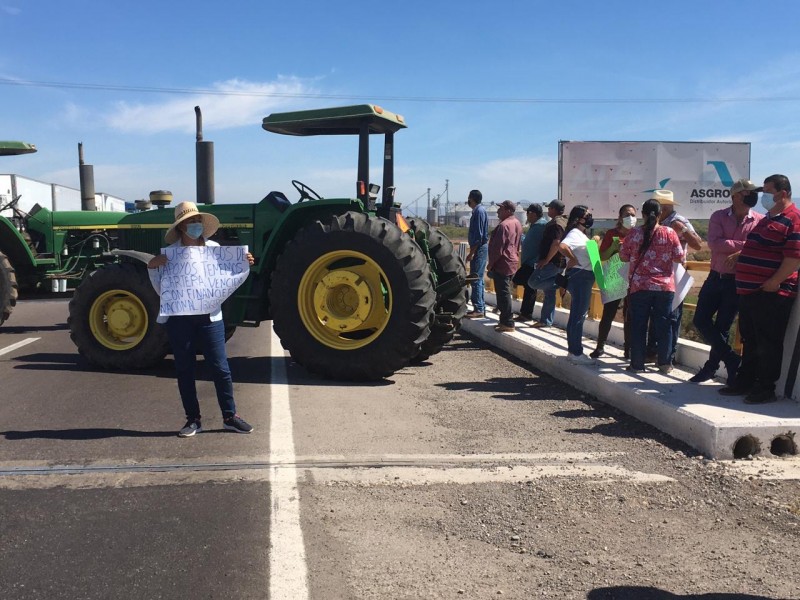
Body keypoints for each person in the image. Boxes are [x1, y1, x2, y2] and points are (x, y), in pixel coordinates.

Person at [148, 201, 255, 437]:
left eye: (197, 221)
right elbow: (161, 289)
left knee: (220, 368)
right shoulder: (170, 256)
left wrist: (243, 263)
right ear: (180, 227)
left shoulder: (215, 249)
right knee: (185, 369)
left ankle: (230, 416)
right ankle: (193, 420)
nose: (195, 225)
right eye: (190, 222)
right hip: (179, 319)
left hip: (210, 317)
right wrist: (153, 267)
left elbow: (227, 276)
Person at [721, 174, 800, 404]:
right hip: (750, 292)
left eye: (766, 191)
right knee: (751, 340)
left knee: (768, 342)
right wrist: (741, 255)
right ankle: (745, 382)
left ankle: (765, 388)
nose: (761, 196)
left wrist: (775, 281)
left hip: (771, 293)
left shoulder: (793, 219)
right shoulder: (768, 218)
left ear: (782, 194)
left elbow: (794, 258)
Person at [689, 179, 763, 385]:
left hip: (737, 281)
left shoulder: (759, 220)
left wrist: (741, 252)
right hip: (715, 277)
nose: (753, 196)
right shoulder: (719, 216)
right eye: (748, 192)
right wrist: (746, 247)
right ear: (736, 195)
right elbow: (714, 243)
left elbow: (759, 246)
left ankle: (712, 369)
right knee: (700, 320)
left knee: (723, 327)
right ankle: (731, 358)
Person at [619, 198, 685, 373]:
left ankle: (637, 364)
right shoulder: (670, 233)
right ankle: (664, 363)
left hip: (639, 287)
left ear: (643, 214)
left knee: (638, 326)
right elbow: (680, 257)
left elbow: (623, 257)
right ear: (660, 214)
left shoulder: (633, 234)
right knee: (664, 325)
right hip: (664, 288)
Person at [645, 189, 702, 365]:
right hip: (654, 274)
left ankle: (669, 354)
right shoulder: (655, 222)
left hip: (674, 274)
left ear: (665, 207)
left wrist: (683, 230)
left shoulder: (678, 221)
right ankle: (654, 351)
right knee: (655, 314)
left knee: (672, 315)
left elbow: (698, 244)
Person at [590, 204, 636, 359]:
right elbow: (602, 256)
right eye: (627, 214)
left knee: (629, 315)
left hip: (632, 276)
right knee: (609, 312)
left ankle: (628, 349)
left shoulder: (638, 234)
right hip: (615, 275)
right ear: (620, 217)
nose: (631, 218)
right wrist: (615, 247)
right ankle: (600, 346)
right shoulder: (612, 233)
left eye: (633, 214)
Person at [558, 205, 597, 364]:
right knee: (578, 315)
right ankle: (576, 352)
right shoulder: (574, 233)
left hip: (582, 276)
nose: (589, 217)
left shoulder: (581, 234)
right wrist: (573, 259)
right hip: (581, 276)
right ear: (578, 218)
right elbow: (562, 246)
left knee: (577, 314)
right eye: (587, 215)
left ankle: (573, 350)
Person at [529, 199, 568, 328]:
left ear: (553, 209)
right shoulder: (564, 222)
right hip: (560, 261)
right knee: (549, 292)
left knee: (533, 282)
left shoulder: (556, 223)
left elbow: (556, 243)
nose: (548, 210)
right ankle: (546, 321)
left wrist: (546, 260)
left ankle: (562, 283)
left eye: (549, 208)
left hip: (553, 262)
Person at [488, 200, 523, 332]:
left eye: (501, 209)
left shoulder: (504, 225)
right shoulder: (517, 223)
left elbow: (498, 248)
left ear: (508, 210)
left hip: (502, 263)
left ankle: (508, 322)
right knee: (505, 292)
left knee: (503, 294)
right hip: (512, 261)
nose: (498, 211)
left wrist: (490, 264)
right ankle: (504, 320)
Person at [513, 203, 548, 323]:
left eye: (528, 213)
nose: (527, 215)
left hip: (533, 262)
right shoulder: (535, 226)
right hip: (529, 262)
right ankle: (525, 313)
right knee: (528, 287)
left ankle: (526, 314)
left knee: (522, 283)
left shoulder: (541, 226)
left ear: (533, 213)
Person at [464, 190, 489, 318]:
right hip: (479, 248)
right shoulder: (479, 211)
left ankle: (478, 308)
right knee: (478, 278)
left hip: (478, 248)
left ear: (472, 198)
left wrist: (471, 253)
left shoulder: (479, 212)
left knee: (476, 278)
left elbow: (478, 236)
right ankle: (480, 307)